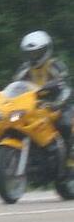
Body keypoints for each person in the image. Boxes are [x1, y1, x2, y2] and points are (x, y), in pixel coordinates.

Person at [15, 30, 73, 162]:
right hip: (32, 108)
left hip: (57, 106)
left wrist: (57, 104)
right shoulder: (23, 69)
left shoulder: (56, 66)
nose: (33, 56)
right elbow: (14, 87)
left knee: (65, 124)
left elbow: (66, 88)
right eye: (30, 53)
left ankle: (69, 161)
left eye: (37, 52)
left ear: (46, 50)